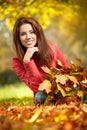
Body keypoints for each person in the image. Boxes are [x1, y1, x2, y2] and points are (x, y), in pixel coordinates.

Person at [12, 16, 69, 103]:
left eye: (32, 32)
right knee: (39, 96)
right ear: (18, 38)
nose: (28, 37)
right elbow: (37, 87)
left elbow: (67, 70)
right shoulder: (16, 61)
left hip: (62, 90)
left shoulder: (51, 48)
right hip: (42, 96)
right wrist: (27, 61)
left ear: (38, 33)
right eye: (23, 34)